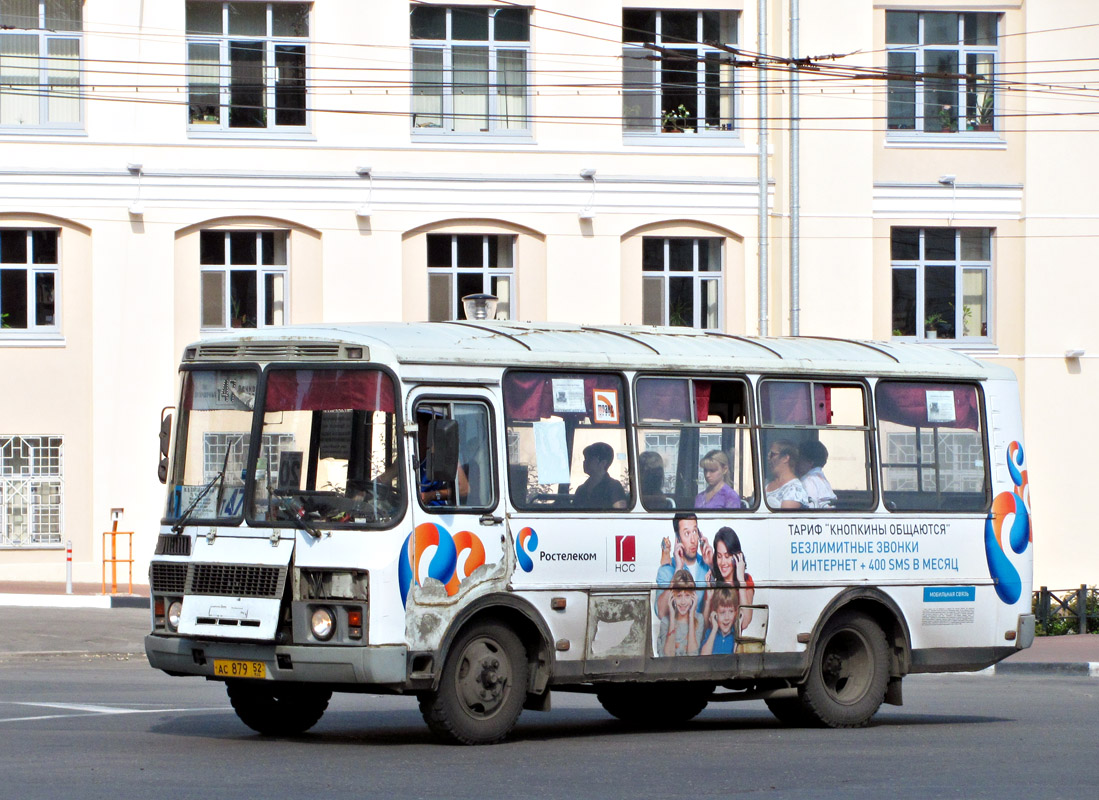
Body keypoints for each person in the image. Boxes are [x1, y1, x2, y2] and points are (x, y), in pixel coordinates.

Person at [656, 512, 713, 617]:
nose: (693, 540)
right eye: (687, 533)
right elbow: (661, 613)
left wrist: (712, 565)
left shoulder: (707, 565)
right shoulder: (666, 570)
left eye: (695, 532)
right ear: (678, 539)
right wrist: (678, 569)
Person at [703, 526, 755, 632]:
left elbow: (744, 622)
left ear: (737, 557)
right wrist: (709, 598)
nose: (723, 562)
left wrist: (741, 580)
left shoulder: (746, 580)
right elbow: (704, 626)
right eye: (719, 556)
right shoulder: (713, 582)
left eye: (727, 556)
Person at [659, 569, 703, 656]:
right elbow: (668, 656)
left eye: (687, 595)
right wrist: (672, 617)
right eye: (679, 596)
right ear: (673, 597)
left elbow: (693, 654)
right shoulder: (665, 621)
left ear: (693, 596)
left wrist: (691, 615)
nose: (683, 602)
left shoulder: (699, 619)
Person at [572, 441, 628, 509]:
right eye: (585, 458)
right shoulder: (581, 489)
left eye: (590, 458)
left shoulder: (614, 487)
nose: (585, 462)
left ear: (603, 463)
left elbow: (620, 515)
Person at [765, 439, 809, 509]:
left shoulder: (794, 489)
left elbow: (785, 518)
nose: (768, 458)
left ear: (785, 458)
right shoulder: (766, 483)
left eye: (772, 455)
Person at [798, 440, 838, 509]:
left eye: (800, 459)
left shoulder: (807, 481)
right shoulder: (822, 479)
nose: (796, 463)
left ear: (810, 462)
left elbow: (811, 507)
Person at [700, 588, 739, 655]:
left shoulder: (736, 635)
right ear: (715, 614)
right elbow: (703, 657)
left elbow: (737, 658)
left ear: (735, 613)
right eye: (722, 612)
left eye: (731, 611)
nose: (727, 618)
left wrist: (739, 627)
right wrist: (714, 629)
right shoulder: (710, 633)